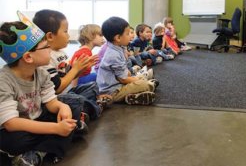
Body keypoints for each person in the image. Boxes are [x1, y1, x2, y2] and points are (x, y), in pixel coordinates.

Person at [0, 14, 79, 165]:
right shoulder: (4, 81)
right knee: (15, 141)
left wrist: (62, 107)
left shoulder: (41, 73)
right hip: (17, 129)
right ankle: (55, 143)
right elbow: (11, 123)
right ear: (28, 57)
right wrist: (56, 128)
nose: (50, 50)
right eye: (46, 47)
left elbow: (51, 103)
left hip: (36, 118)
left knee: (73, 105)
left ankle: (37, 154)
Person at [33, 9, 105, 120]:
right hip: (55, 99)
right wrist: (75, 69)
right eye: (65, 31)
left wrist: (81, 68)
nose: (69, 35)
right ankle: (91, 109)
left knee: (92, 86)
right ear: (50, 36)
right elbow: (57, 89)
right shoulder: (45, 58)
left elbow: (69, 76)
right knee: (77, 100)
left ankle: (86, 110)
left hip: (68, 93)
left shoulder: (61, 53)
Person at [96, 17, 159, 105]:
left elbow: (123, 72)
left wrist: (132, 76)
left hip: (118, 84)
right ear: (118, 38)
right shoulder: (113, 54)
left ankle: (133, 96)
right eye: (128, 33)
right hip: (113, 92)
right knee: (144, 84)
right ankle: (142, 89)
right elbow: (123, 79)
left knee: (140, 79)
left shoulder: (118, 48)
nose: (131, 36)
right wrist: (137, 80)